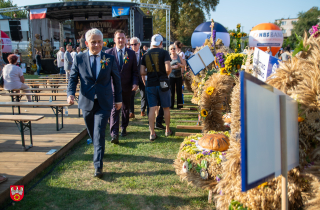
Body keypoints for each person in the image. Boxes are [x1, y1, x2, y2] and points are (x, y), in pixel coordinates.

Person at [67, 28, 122, 178]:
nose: (97, 45)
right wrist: (70, 94)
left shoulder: (109, 58)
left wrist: (118, 99)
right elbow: (73, 78)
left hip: (104, 102)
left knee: (98, 132)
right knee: (92, 133)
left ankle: (98, 165)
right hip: (87, 101)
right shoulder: (79, 58)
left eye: (99, 42)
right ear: (86, 43)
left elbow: (116, 80)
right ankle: (99, 148)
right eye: (93, 42)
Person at [106, 30, 139, 143]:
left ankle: (123, 127)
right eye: (118, 38)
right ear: (114, 40)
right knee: (114, 109)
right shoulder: (108, 53)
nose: (120, 40)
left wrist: (135, 83)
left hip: (127, 86)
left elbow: (135, 71)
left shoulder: (131, 53)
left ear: (126, 40)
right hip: (113, 87)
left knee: (125, 108)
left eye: (122, 38)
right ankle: (114, 134)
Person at [140, 34, 172, 141]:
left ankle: (152, 133)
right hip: (163, 83)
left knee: (152, 108)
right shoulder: (164, 52)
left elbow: (141, 72)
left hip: (150, 83)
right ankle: (167, 130)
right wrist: (162, 73)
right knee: (166, 107)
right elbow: (168, 69)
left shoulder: (145, 54)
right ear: (161, 43)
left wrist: (150, 72)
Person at [129, 37, 147, 118]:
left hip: (142, 76)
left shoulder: (145, 53)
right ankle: (131, 112)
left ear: (139, 44)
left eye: (135, 44)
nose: (133, 46)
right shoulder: (128, 54)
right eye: (131, 44)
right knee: (131, 95)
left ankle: (142, 110)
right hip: (132, 78)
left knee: (144, 94)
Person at [169, 44, 185, 109]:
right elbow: (166, 67)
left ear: (176, 49)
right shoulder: (168, 57)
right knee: (171, 91)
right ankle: (171, 105)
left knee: (179, 91)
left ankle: (180, 106)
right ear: (169, 50)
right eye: (171, 49)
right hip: (171, 76)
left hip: (178, 76)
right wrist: (173, 67)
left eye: (174, 48)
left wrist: (179, 65)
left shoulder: (179, 56)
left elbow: (184, 65)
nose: (173, 50)